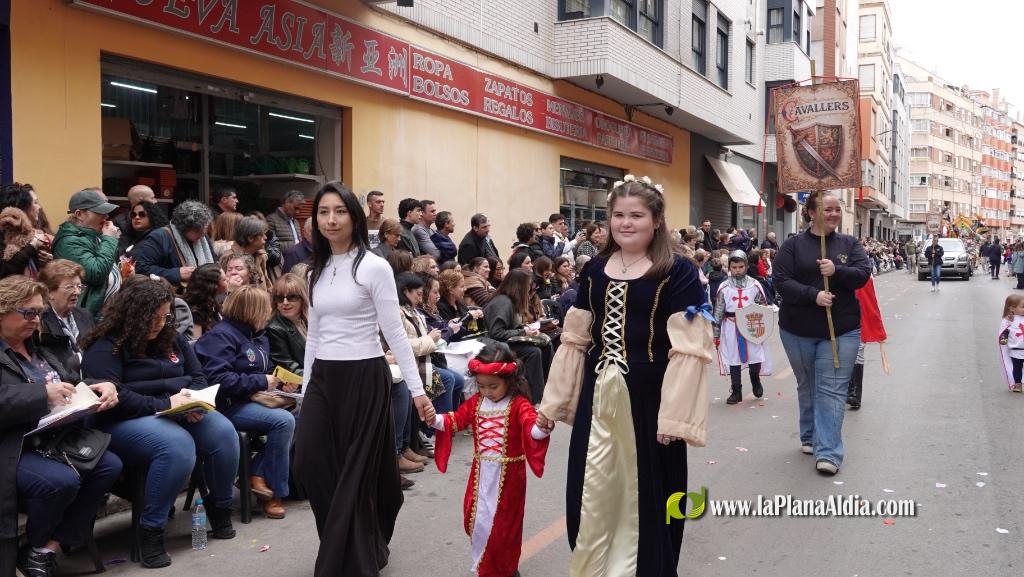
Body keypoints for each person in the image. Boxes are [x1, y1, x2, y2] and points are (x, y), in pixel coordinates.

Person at [537, 175, 711, 577]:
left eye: (636, 215)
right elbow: (577, 338)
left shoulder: (676, 271)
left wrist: (675, 417)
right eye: (618, 215)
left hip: (649, 400)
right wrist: (555, 403)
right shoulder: (595, 269)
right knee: (590, 486)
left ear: (656, 221)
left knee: (649, 491)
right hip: (598, 398)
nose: (626, 223)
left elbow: (689, 349)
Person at [292, 182, 434, 577]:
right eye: (323, 212)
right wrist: (306, 394)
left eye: (339, 211)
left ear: (354, 217)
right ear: (315, 219)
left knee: (354, 471)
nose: (331, 219)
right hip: (323, 377)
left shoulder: (374, 267)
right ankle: (350, 540)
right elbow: (314, 336)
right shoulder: (315, 270)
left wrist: (418, 391)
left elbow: (395, 334)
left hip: (364, 376)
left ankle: (346, 557)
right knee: (309, 462)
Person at [80, 279, 240, 568]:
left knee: (223, 432)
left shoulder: (172, 337)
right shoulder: (106, 347)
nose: (159, 324)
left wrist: (194, 402)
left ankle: (219, 508)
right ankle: (150, 530)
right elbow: (113, 395)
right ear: (132, 315)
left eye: (165, 317)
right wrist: (167, 406)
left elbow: (199, 376)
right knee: (177, 446)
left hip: (176, 408)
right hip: (122, 419)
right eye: (152, 318)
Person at [0, 276, 120, 577]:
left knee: (109, 464)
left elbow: (67, 381)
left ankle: (44, 548)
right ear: (2, 310)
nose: (36, 320)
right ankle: (35, 547)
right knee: (60, 481)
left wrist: (98, 386)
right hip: (14, 446)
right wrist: (41, 394)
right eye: (28, 313)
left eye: (39, 312)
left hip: (55, 437)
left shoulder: (40, 345)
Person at [430, 344, 550, 577]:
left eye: (493, 386)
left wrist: (542, 428)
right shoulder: (476, 402)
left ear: (510, 381)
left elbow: (532, 430)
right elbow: (455, 421)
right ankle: (484, 565)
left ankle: (504, 569)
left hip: (509, 477)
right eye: (481, 386)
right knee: (478, 522)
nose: (486, 392)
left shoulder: (518, 404)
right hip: (481, 473)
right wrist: (432, 417)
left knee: (504, 527)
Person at [774, 192, 871, 476]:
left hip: (841, 330)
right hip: (797, 330)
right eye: (827, 209)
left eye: (837, 209)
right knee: (808, 385)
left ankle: (828, 451)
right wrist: (812, 296)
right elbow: (780, 281)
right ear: (812, 213)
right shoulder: (792, 246)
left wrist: (837, 270)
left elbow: (863, 274)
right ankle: (809, 435)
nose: (833, 214)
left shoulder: (849, 244)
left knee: (830, 389)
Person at [195, 286, 296, 520]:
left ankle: (256, 474)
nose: (270, 313)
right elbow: (217, 379)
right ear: (253, 311)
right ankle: (272, 494)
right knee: (283, 421)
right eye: (266, 309)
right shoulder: (220, 337)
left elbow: (266, 370)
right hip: (228, 405)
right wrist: (261, 381)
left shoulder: (258, 336)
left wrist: (281, 383)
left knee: (305, 410)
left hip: (255, 399)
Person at [396, 271, 465, 426]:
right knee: (447, 379)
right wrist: (431, 339)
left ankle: (450, 424)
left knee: (458, 379)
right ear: (406, 291)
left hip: (424, 359)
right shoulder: (399, 312)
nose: (420, 299)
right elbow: (403, 344)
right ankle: (435, 430)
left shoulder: (413, 310)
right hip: (414, 362)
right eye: (418, 295)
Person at [484, 268, 552, 403]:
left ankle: (545, 390)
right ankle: (534, 397)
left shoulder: (511, 300)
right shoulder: (503, 302)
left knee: (546, 345)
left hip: (508, 340)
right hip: (496, 344)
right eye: (528, 286)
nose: (529, 290)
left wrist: (526, 330)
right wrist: (524, 332)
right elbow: (496, 333)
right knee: (534, 352)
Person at [52, 189, 121, 318]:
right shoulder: (68, 242)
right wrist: (110, 239)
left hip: (103, 314)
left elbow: (106, 265)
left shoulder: (94, 235)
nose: (106, 217)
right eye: (100, 212)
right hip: (89, 317)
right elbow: (96, 273)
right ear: (79, 214)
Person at [713, 251, 771, 404]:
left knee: (755, 354)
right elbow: (718, 311)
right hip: (731, 326)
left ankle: (755, 379)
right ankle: (736, 390)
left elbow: (763, 308)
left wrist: (762, 327)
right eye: (734, 267)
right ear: (729, 268)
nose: (737, 270)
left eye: (740, 266)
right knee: (733, 357)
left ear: (746, 266)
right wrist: (716, 334)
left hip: (751, 324)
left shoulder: (754, 285)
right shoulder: (724, 287)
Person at [134, 200, 216, 292]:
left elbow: (214, 262)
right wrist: (177, 273)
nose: (203, 233)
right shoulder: (160, 237)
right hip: (171, 296)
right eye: (198, 231)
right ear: (184, 228)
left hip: (204, 294)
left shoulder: (203, 238)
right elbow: (142, 268)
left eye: (205, 229)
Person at [37, 260, 95, 377]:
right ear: (49, 292)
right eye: (70, 287)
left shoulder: (84, 315)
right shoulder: (40, 321)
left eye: (79, 286)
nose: (77, 292)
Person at [846, 276, 887, 409]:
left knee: (857, 351)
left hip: (859, 318)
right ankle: (846, 390)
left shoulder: (863, 273)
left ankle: (855, 393)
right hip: (841, 317)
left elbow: (869, 301)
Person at [0, 183, 51, 279]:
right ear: (21, 209)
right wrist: (32, 246)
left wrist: (47, 260)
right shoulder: (4, 237)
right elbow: (5, 270)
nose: (39, 207)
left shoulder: (31, 233)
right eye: (35, 203)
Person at [266, 273, 308, 377]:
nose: (285, 302)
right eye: (279, 298)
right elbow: (288, 366)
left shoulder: (310, 320)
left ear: (302, 298)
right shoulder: (274, 328)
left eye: (291, 297)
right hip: (298, 385)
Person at [222, 216, 272, 289]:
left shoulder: (259, 255)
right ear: (250, 238)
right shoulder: (229, 258)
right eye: (261, 235)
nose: (265, 237)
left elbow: (267, 285)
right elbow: (226, 289)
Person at [437, 269, 486, 340]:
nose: (465, 289)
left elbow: (473, 330)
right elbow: (453, 334)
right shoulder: (440, 307)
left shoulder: (460, 303)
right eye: (462, 286)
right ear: (451, 289)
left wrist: (479, 318)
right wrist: (468, 316)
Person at [183, 263, 226, 339]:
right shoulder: (195, 312)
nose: (228, 280)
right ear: (213, 286)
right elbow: (196, 344)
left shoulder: (212, 303)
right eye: (224, 280)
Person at [998, 294, 1024, 392]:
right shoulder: (1009, 321)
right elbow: (1004, 332)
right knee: (1017, 368)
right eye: (1023, 307)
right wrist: (1003, 338)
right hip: (1016, 351)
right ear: (1012, 308)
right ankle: (1018, 384)